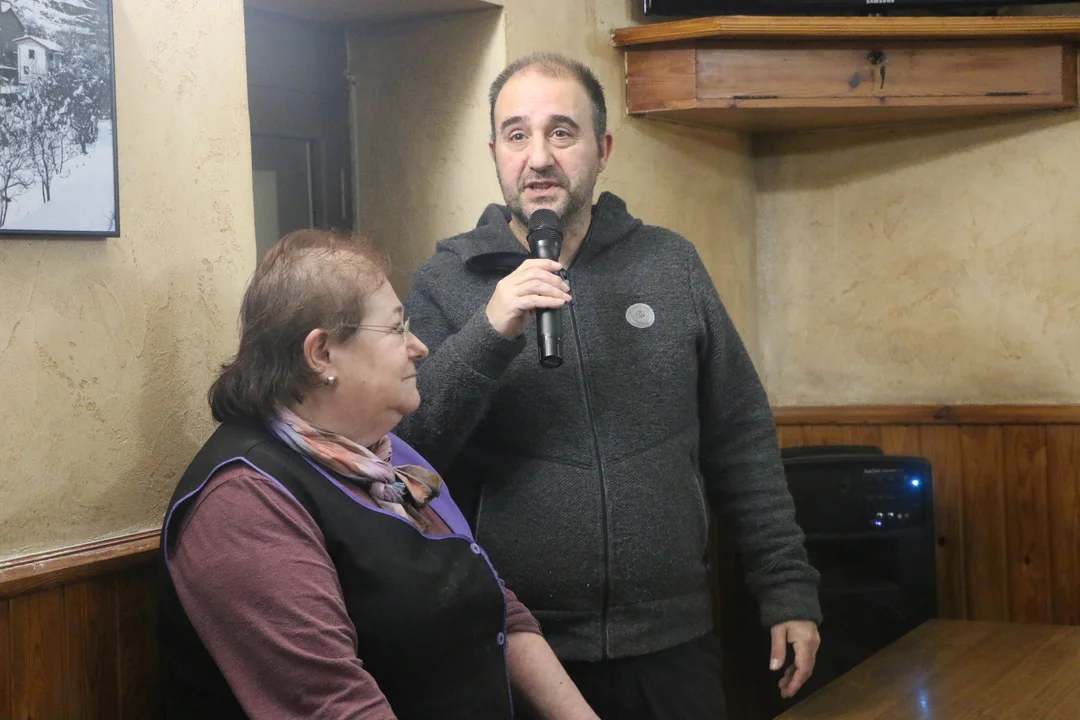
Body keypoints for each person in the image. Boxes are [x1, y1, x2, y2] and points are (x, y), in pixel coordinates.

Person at [396, 53, 823, 719]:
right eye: (517, 135)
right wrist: (488, 331)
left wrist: (787, 588)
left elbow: (740, 437)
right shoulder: (446, 281)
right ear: (495, 153)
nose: (539, 157)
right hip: (517, 649)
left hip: (672, 645)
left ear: (603, 149)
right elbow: (409, 455)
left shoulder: (669, 264)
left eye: (562, 132)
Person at [157, 228, 599, 719]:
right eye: (395, 328)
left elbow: (500, 608)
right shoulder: (243, 502)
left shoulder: (388, 453)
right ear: (321, 354)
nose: (419, 346)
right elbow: (335, 706)